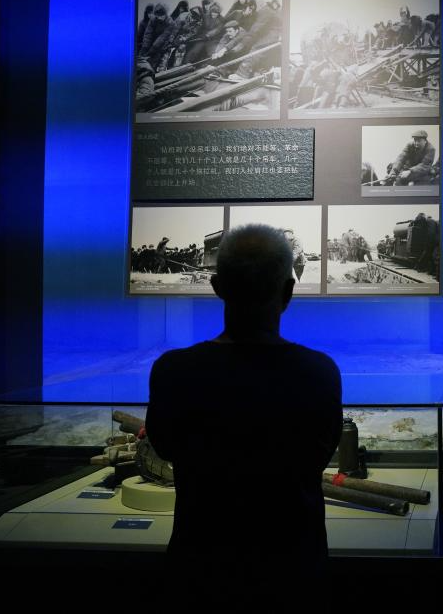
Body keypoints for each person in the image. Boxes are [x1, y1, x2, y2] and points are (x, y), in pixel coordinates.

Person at [146, 224, 342, 596]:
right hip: (294, 571)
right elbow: (319, 455)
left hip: (200, 570)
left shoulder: (172, 370)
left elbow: (165, 447)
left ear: (216, 287)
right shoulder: (319, 372)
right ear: (288, 291)